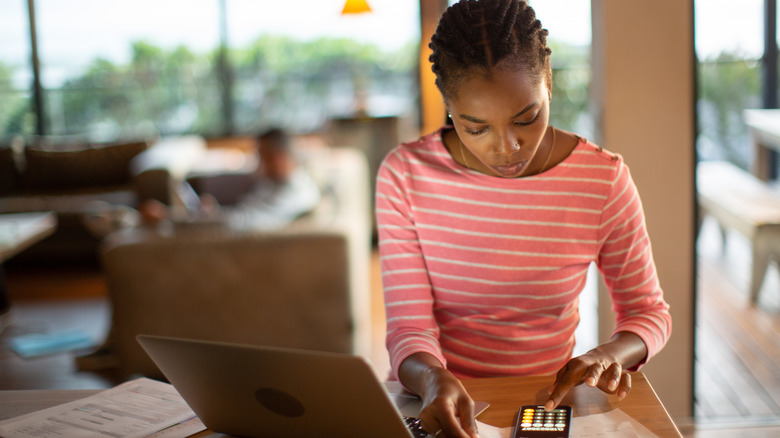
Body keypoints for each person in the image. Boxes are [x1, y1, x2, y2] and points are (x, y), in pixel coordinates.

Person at [374, 1, 672, 437]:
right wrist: (433, 379)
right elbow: (409, 327)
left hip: (543, 405)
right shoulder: (405, 175)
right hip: (435, 401)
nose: (507, 147)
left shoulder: (602, 180)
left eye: (526, 118)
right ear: (449, 106)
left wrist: (609, 354)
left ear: (549, 84)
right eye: (475, 128)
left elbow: (648, 312)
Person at [137, 128, 321, 231]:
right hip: (223, 226)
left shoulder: (294, 192)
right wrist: (212, 212)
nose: (259, 164)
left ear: (278, 158)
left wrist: (169, 216)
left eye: (262, 157)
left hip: (228, 242)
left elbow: (240, 224)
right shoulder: (276, 181)